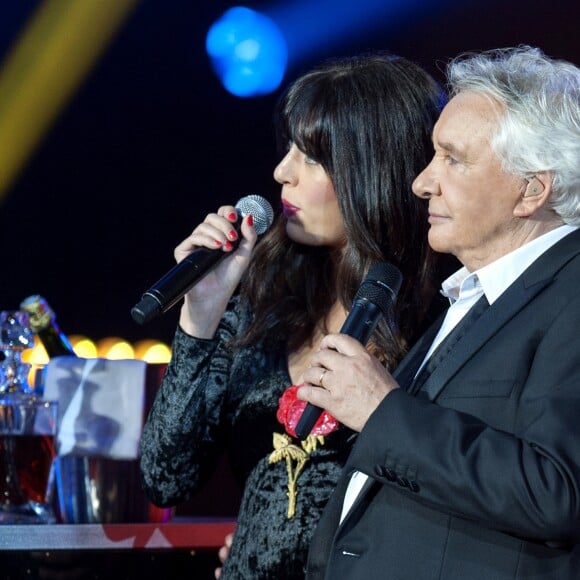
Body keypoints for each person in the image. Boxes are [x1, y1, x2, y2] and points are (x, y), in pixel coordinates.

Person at [139, 52, 448, 579]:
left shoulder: (445, 318)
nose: (282, 173)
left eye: (310, 157)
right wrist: (202, 313)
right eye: (288, 151)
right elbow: (167, 478)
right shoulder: (267, 301)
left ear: (372, 167)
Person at [298, 45, 580, 579]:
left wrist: (383, 411)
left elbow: (557, 490)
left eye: (453, 159)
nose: (421, 182)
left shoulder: (571, 293)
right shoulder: (475, 298)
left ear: (531, 190)